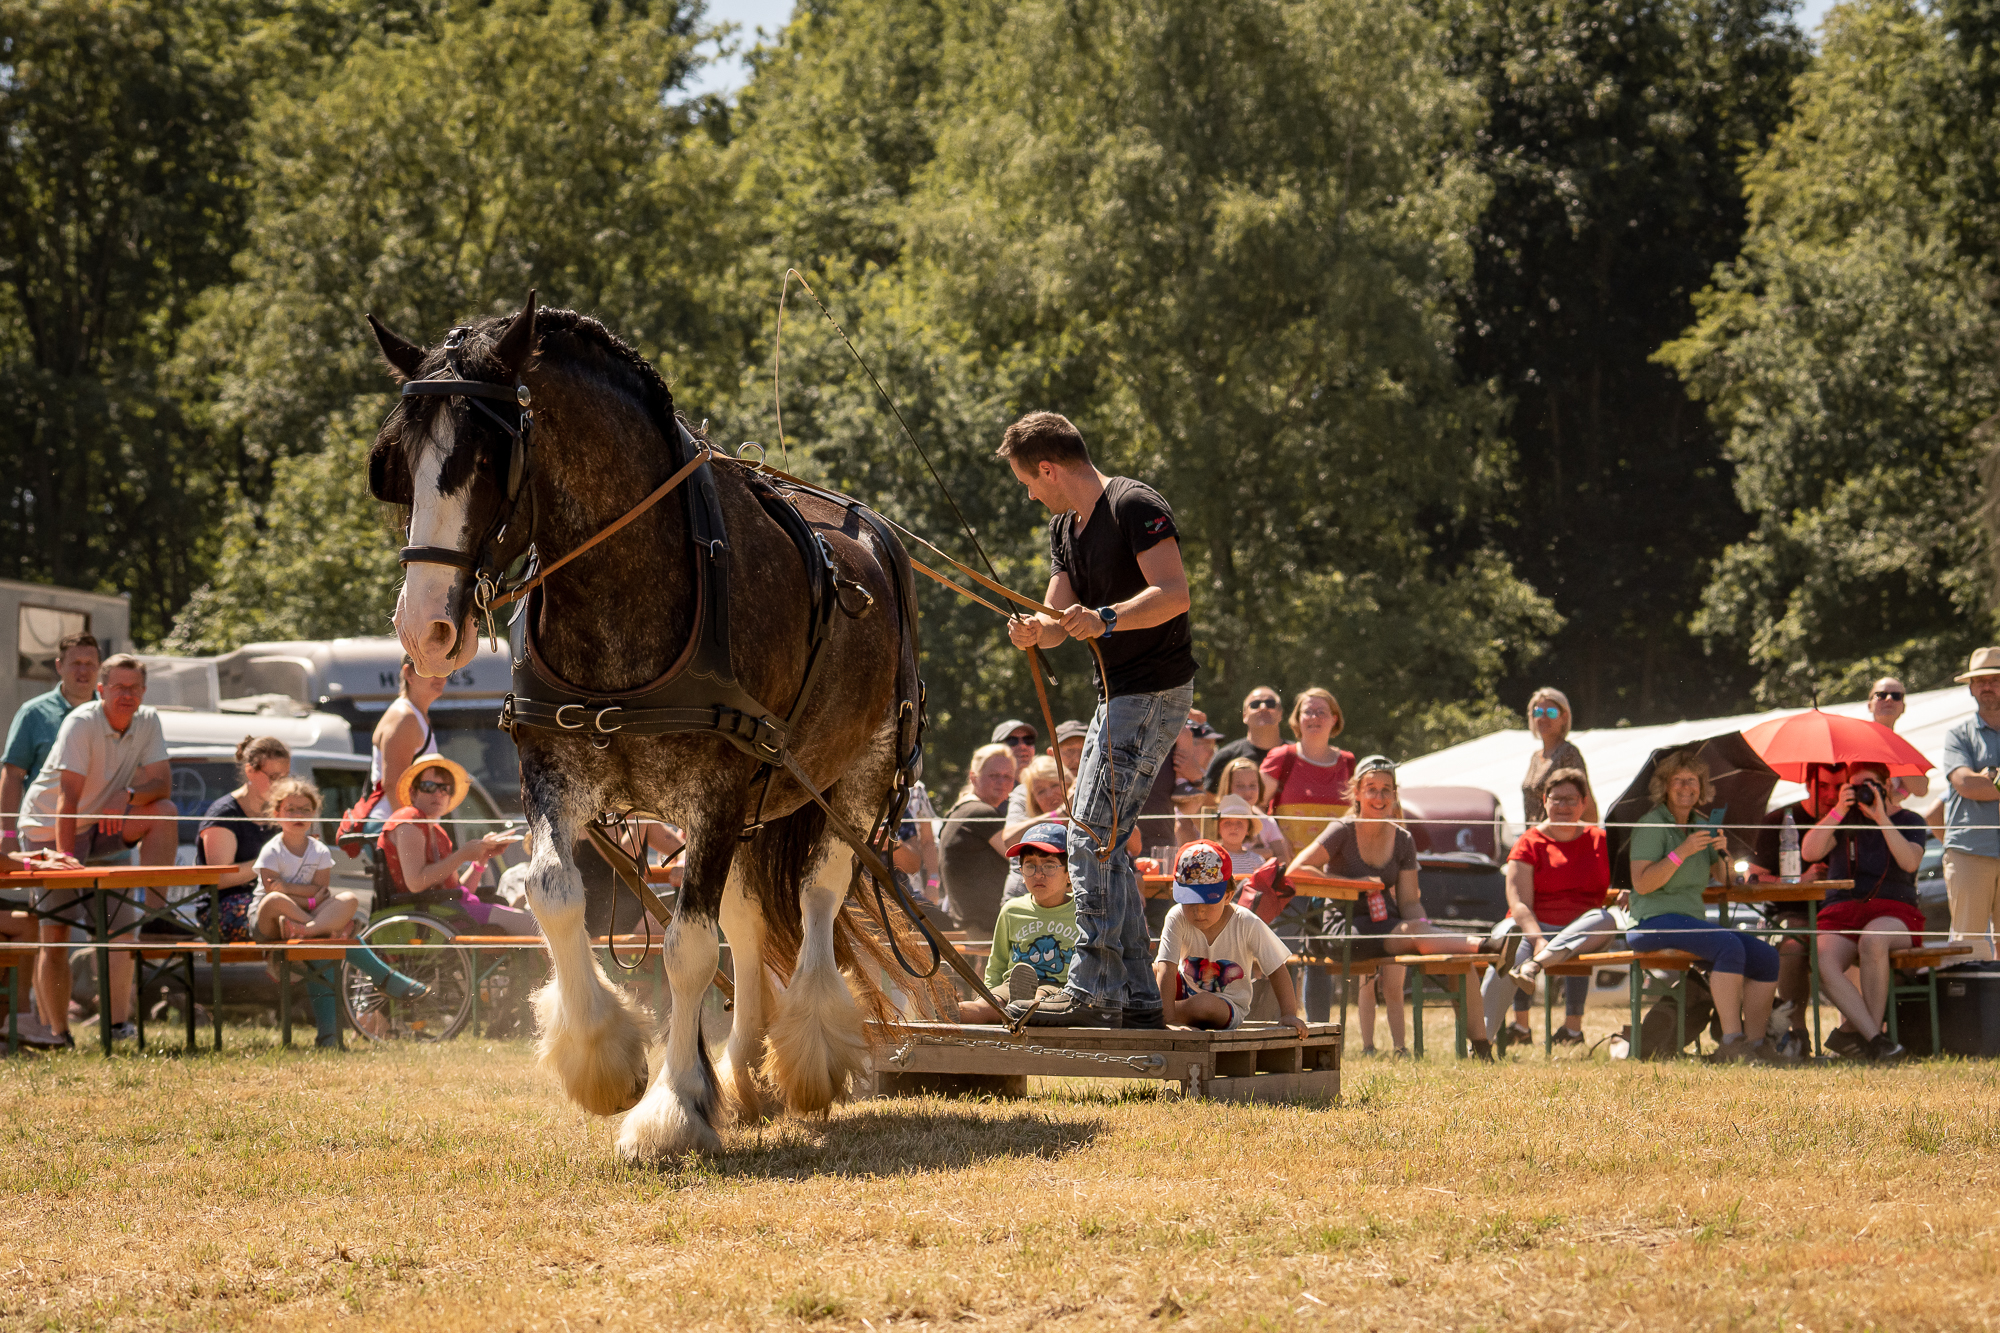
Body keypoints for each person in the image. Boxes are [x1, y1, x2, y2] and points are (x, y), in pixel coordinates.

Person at [998, 411, 1196, 1029]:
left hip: (1154, 692)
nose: (1029, 493)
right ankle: (1137, 994)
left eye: (1029, 481)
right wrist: (1037, 630)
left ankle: (1094, 989)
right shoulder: (1064, 528)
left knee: (1086, 836)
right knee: (1101, 842)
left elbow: (1174, 593)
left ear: (1050, 468)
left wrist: (1106, 617)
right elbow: (1058, 619)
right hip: (1115, 697)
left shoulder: (1134, 505)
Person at [18, 654, 178, 1045]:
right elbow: (66, 798)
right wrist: (66, 860)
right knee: (55, 935)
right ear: (102, 690)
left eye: (134, 688)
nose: (127, 695)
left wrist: (127, 795)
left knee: (121, 931)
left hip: (105, 827)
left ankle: (156, 915)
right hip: (51, 830)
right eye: (119, 688)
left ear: (143, 691)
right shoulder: (81, 722)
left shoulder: (148, 720)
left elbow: (162, 787)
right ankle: (56, 1033)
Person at [1286, 756, 1489, 1057]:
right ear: (1356, 792)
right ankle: (1486, 945)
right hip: (1344, 928)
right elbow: (1297, 870)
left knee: (1460, 961)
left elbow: (1409, 902)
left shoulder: (1404, 839)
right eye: (1371, 789)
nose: (1379, 797)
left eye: (1386, 790)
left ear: (1395, 794)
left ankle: (1481, 1047)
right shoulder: (1342, 829)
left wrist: (1425, 931)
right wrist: (1354, 885)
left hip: (1390, 925)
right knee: (1417, 934)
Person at [1626, 750, 1781, 1063]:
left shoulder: (1701, 825)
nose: (1687, 787)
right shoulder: (1650, 825)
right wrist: (1680, 852)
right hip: (1650, 923)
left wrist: (1724, 853)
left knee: (1767, 957)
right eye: (1679, 780)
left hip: (1689, 922)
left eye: (1693, 781)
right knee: (1728, 946)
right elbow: (1642, 884)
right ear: (1665, 786)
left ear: (1702, 787)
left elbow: (1725, 881)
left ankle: (1755, 1044)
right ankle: (1731, 1043)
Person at [1481, 769, 1618, 1049]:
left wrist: (1625, 887)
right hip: (1532, 927)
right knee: (1508, 943)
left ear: (1584, 803)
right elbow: (1518, 903)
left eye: (1571, 800)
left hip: (1581, 931)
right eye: (1556, 799)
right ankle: (1481, 1041)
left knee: (1605, 919)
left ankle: (1534, 967)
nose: (1563, 806)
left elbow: (1626, 877)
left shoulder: (1601, 841)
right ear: (1544, 801)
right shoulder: (1529, 842)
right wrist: (1538, 939)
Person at [1802, 761, 1925, 1062]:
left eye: (1868, 785)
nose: (1861, 792)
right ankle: (1876, 1040)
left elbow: (1910, 862)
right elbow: (1809, 852)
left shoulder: (1910, 819)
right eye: (1854, 785)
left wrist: (1881, 817)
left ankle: (1855, 1035)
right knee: (1822, 961)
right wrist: (1838, 812)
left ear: (1886, 786)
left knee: (1873, 939)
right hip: (1842, 910)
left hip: (1894, 911)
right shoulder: (1843, 821)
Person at [1744, 762, 1847, 1057]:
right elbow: (1754, 878)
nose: (1831, 794)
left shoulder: (1854, 819)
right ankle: (1797, 1032)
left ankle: (1859, 1032)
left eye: (1839, 787)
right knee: (1794, 942)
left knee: (1861, 941)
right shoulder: (1779, 819)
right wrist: (1798, 881)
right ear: (1808, 784)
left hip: (1840, 915)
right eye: (1824, 786)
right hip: (1789, 915)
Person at [1154, 840, 1306, 1035]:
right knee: (1152, 970)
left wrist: (1289, 1014)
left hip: (1226, 1006)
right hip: (1182, 993)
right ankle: (1157, 1013)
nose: (1198, 911)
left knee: (1203, 1004)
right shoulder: (1177, 916)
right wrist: (1170, 1021)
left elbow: (1277, 968)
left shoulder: (1246, 922)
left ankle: (1150, 1014)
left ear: (1228, 896)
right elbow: (1166, 967)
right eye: (1190, 901)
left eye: (1208, 902)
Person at [378, 758, 533, 933]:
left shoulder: (437, 832)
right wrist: (462, 855)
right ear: (413, 792)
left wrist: (480, 861)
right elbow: (415, 883)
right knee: (534, 927)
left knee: (531, 923)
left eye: (445, 788)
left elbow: (459, 891)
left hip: (447, 910)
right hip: (430, 916)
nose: (438, 794)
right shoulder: (409, 820)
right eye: (429, 787)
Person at [960, 822, 1084, 1024]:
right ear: (1021, 871)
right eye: (1030, 866)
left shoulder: (1081, 913)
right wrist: (989, 993)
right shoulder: (1012, 910)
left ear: (1069, 873)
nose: (1038, 874)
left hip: (1057, 990)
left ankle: (1020, 1008)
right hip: (1011, 985)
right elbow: (997, 963)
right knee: (987, 1004)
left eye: (1049, 866)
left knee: (1038, 998)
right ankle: (950, 1009)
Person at [1, 631, 100, 851]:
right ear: (59, 666)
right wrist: (7, 833)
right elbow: (12, 775)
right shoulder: (33, 713)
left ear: (99, 668)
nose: (83, 671)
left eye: (89, 664)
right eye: (75, 663)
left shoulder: (111, 714)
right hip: (47, 836)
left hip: (102, 836)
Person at [196, 737, 291, 944]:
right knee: (300, 922)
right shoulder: (224, 814)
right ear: (250, 771)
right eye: (274, 777)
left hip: (273, 901)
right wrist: (273, 860)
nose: (280, 785)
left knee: (332, 911)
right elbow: (220, 878)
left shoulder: (279, 812)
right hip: (223, 908)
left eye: (284, 778)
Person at [1940, 648, 2000, 962]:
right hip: (1969, 850)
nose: (1987, 686)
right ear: (1971, 687)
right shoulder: (1957, 735)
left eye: (1995, 679)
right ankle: (1972, 1014)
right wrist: (1982, 780)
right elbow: (1966, 784)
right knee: (1969, 947)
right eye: (1980, 681)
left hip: (1972, 847)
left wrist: (1991, 776)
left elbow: (1979, 783)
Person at [250, 778, 358, 942]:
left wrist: (287, 887)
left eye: (305, 810)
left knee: (350, 899)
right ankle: (325, 929)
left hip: (306, 914)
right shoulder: (271, 851)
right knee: (274, 900)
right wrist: (310, 902)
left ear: (314, 814)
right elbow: (274, 892)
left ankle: (309, 930)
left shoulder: (320, 850)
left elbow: (319, 889)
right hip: (269, 920)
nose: (298, 815)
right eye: (291, 809)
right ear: (276, 814)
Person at [1260, 688, 1355, 850]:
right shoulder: (1281, 757)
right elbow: (1253, 807)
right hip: (1290, 865)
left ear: (1334, 719)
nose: (1314, 717)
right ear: (1297, 719)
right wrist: (1277, 839)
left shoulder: (1348, 762)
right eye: (1308, 711)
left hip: (1336, 866)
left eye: (1321, 712)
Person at [939, 743, 1016, 938]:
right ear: (974, 777)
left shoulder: (959, 810)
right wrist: (1059, 814)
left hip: (973, 927)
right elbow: (1019, 856)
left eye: (1007, 776)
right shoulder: (980, 812)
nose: (1001, 781)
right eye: (993, 775)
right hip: (984, 931)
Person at [366, 656, 447, 827]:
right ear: (408, 673)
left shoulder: (415, 715)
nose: (440, 677)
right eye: (430, 670)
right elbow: (393, 784)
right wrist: (415, 832)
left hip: (401, 827)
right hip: (392, 828)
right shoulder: (405, 718)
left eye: (444, 669)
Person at [996, 754, 1069, 899]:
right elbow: (1009, 839)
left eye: (1055, 785)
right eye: (1041, 791)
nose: (1049, 794)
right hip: (1024, 901)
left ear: (1070, 784)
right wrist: (1060, 815)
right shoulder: (1028, 812)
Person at [1521, 687, 1598, 824]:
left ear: (1564, 717)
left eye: (1551, 713)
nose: (1543, 718)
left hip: (1559, 839)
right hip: (1534, 839)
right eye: (1538, 712)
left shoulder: (1568, 754)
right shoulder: (1535, 757)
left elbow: (1588, 809)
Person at [1202, 686, 1283, 794]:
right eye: (1255, 704)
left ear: (1280, 713)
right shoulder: (1226, 757)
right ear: (1244, 715)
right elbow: (1208, 802)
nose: (1263, 707)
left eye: (1270, 703)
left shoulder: (1297, 755)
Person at [1868, 676, 1928, 800]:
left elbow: (1921, 789)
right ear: (1869, 705)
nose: (1889, 699)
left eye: (1896, 696)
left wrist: (1901, 793)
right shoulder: (1857, 739)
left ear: (1903, 707)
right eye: (1881, 695)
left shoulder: (1901, 746)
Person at [1213, 794, 1278, 876]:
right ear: (1218, 828)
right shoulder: (1212, 856)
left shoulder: (1256, 860)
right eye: (1227, 823)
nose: (1233, 827)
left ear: (1248, 829)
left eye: (1239, 823)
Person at [992, 719, 1038, 786]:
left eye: (1028, 740)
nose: (1022, 746)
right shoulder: (992, 789)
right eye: (1012, 741)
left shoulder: (1046, 783)